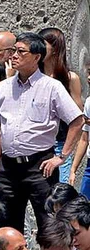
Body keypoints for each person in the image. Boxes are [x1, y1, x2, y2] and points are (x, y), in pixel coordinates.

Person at [0, 32, 83, 233]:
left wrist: (61, 157)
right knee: (8, 227)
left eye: (21, 52)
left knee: (49, 225)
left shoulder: (51, 87)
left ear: (37, 57)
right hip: (7, 167)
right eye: (13, 51)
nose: (14, 56)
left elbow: (77, 120)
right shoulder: (3, 87)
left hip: (40, 166)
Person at [39, 27, 84, 185]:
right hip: (37, 144)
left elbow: (79, 116)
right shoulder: (33, 77)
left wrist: (69, 149)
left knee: (61, 192)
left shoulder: (70, 78)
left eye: (42, 44)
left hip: (60, 144)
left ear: (55, 48)